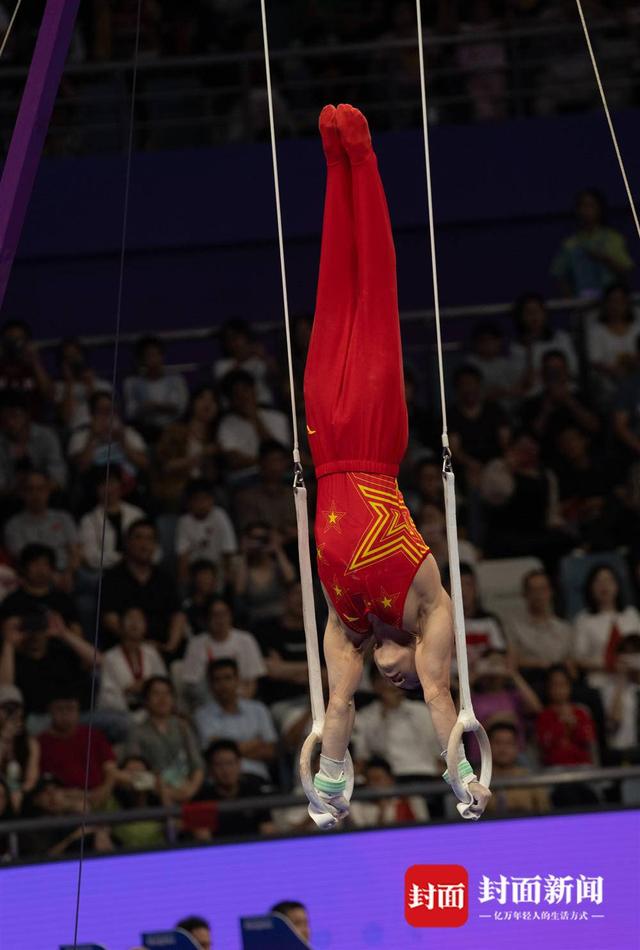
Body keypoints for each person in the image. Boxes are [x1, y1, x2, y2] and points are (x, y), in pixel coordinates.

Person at [303, 104, 490, 826]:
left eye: (396, 684)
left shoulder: (347, 632)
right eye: (404, 682)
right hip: (375, 446)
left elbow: (337, 708)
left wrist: (331, 783)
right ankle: (362, 154)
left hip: (324, 446)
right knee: (372, 289)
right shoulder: (428, 618)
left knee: (331, 292)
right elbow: (446, 698)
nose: (395, 678)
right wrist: (464, 780)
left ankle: (330, 160)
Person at [101, 519, 187, 656]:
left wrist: (170, 645)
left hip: (163, 648)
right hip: (126, 650)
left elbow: (178, 614)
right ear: (127, 542)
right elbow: (110, 619)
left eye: (150, 539)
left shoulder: (164, 578)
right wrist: (141, 644)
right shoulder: (112, 578)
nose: (144, 544)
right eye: (138, 537)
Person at [353, 665, 441, 783]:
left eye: (397, 678)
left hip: (427, 775)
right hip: (391, 779)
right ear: (375, 685)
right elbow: (366, 754)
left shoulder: (422, 711)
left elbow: (436, 749)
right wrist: (386, 715)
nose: (392, 685)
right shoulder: (365, 717)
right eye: (386, 680)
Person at [194, 658, 276, 780]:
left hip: (257, 777)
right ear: (210, 685)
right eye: (217, 680)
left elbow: (270, 751)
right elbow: (215, 755)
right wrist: (255, 743)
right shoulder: (202, 716)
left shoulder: (258, 710)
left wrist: (226, 749)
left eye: (228, 678)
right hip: (220, 781)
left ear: (237, 680)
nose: (223, 685)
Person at [126, 677, 204, 805]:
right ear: (146, 700)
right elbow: (135, 772)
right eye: (156, 694)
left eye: (167, 693)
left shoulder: (182, 726)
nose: (162, 699)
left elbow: (198, 765)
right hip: (155, 795)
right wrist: (167, 792)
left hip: (190, 790)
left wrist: (191, 789)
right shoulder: (136, 732)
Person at [0, 611, 93, 717]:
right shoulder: (14, 660)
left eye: (39, 630)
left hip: (76, 716)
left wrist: (64, 633)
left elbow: (97, 662)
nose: (35, 636)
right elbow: (5, 688)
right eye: (30, 631)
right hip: (38, 718)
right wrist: (9, 643)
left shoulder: (60, 652)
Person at [551, 188, 634, 299]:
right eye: (583, 206)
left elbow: (626, 270)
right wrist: (571, 299)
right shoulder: (570, 243)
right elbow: (559, 275)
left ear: (600, 208)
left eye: (591, 205)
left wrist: (604, 258)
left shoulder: (613, 238)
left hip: (609, 302)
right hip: (582, 303)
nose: (586, 210)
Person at [38, 691, 116, 808]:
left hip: (100, 795)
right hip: (64, 800)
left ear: (78, 711)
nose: (65, 714)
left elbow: (111, 769)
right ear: (50, 711)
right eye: (59, 709)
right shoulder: (40, 742)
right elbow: (42, 782)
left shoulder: (94, 735)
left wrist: (104, 790)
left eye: (70, 709)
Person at [181, 597, 266, 703]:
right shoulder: (196, 644)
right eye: (215, 615)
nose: (220, 619)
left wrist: (237, 705)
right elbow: (192, 684)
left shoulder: (246, 639)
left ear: (231, 616)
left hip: (241, 701)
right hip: (208, 702)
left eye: (224, 614)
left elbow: (252, 683)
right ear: (206, 619)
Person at [152, 383, 222, 511]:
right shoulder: (174, 430)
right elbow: (165, 466)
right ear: (192, 403)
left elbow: (214, 476)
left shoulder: (217, 435)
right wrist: (199, 456)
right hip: (177, 487)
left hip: (205, 490)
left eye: (213, 400)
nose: (208, 404)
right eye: (202, 398)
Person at [4, 470, 79, 586]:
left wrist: (68, 574)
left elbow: (75, 552)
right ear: (22, 493)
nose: (36, 494)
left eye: (40, 489)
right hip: (34, 580)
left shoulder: (64, 518)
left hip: (67, 573)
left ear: (48, 491)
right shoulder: (13, 526)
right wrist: (53, 577)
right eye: (30, 489)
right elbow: (24, 560)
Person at [506, 569, 575, 693]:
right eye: (533, 590)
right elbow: (512, 661)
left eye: (543, 589)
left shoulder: (564, 628)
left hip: (561, 683)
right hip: (532, 681)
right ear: (525, 594)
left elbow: (570, 663)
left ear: (550, 592)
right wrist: (540, 664)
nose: (538, 595)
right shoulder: (514, 626)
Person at [67, 391, 148, 496]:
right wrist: (92, 438)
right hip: (95, 488)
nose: (107, 415)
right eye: (101, 411)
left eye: (110, 411)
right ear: (91, 414)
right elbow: (81, 468)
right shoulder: (80, 436)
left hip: (128, 486)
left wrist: (123, 442)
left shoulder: (129, 433)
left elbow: (144, 464)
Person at [573, 564, 640, 686]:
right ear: (591, 588)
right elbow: (578, 660)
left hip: (634, 680)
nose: (604, 585)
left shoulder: (631, 614)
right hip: (600, 682)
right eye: (598, 581)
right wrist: (610, 664)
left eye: (609, 580)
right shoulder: (584, 619)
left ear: (617, 585)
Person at [97, 607, 167, 721]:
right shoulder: (110, 657)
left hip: (152, 710)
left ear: (145, 627)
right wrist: (127, 691)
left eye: (139, 619)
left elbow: (163, 682)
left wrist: (147, 687)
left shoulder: (152, 653)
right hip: (124, 715)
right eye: (130, 618)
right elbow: (107, 698)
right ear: (120, 626)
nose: (134, 623)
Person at [79, 465, 152, 572]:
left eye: (112, 482)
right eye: (103, 484)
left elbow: (153, 548)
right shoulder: (88, 520)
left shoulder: (137, 514)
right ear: (96, 489)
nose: (109, 489)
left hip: (139, 571)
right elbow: (90, 556)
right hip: (105, 573)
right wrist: (125, 559)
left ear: (120, 485)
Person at [217, 370, 290, 478]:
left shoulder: (278, 418)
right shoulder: (226, 425)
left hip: (281, 476)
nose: (243, 397)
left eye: (245, 390)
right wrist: (266, 463)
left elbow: (279, 453)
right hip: (246, 478)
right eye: (236, 394)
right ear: (230, 400)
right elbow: (233, 461)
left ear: (254, 390)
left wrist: (255, 419)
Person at [448, 364, 511, 486]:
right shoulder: (452, 416)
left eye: (472, 383)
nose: (469, 389)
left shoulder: (495, 410)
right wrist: (471, 464)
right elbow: (455, 450)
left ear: (479, 385)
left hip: (496, 463)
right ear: (457, 388)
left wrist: (499, 464)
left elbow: (505, 442)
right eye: (464, 384)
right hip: (467, 466)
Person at [196, 739, 274, 837]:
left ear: (239, 764)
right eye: (219, 765)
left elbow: (268, 830)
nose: (226, 770)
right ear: (210, 769)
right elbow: (203, 839)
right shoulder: (203, 798)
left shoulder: (254, 791)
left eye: (230, 763)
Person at [510, 293, 578, 398]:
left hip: (567, 391)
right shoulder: (517, 347)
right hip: (536, 396)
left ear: (545, 313)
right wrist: (529, 351)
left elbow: (573, 369)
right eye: (528, 312)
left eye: (537, 311)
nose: (534, 316)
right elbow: (525, 383)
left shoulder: (561, 337)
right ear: (520, 317)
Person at [0, 392, 67, 497]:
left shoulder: (46, 436)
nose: (10, 422)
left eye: (15, 416)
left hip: (47, 497)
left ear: (27, 415)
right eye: (5, 417)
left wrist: (35, 489)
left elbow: (58, 478)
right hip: (11, 498)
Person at [123, 335, 189, 439]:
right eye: (149, 355)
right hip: (145, 430)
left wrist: (158, 407)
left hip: (173, 428)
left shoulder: (177, 380)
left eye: (157, 354)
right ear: (141, 360)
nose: (154, 359)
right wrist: (143, 408)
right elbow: (130, 413)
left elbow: (181, 408)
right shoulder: (132, 383)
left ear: (162, 356)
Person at [232, 522, 296, 626]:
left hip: (281, 621)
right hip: (256, 622)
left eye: (263, 538)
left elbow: (290, 579)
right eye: (254, 538)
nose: (259, 542)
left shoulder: (278, 565)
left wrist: (277, 549)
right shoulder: (243, 568)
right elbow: (239, 590)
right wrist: (245, 552)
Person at [232, 440, 297, 541]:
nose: (276, 467)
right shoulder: (246, 497)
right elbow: (250, 530)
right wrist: (273, 535)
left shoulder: (294, 494)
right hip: (263, 548)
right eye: (271, 461)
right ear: (261, 463)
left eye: (279, 461)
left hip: (294, 545)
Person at [176, 479, 237, 586]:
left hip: (219, 570)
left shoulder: (220, 515)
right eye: (197, 500)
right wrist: (184, 581)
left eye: (205, 499)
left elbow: (228, 550)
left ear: (212, 500)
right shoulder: (184, 522)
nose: (201, 504)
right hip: (196, 572)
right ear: (189, 502)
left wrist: (227, 577)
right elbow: (183, 556)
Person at [484, 721, 550, 817]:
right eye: (497, 743)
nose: (503, 749)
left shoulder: (531, 780)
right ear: (487, 747)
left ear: (516, 747)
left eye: (508, 743)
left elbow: (545, 814)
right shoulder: (475, 781)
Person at [535, 664, 597, 767]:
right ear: (548, 688)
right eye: (555, 685)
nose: (559, 690)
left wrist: (575, 726)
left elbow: (588, 740)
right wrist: (560, 724)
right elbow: (545, 745)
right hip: (554, 769)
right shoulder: (544, 715)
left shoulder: (581, 712)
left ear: (569, 687)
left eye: (563, 685)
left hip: (581, 767)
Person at [349, 754, 430, 828]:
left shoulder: (413, 800)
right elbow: (365, 838)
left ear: (391, 780)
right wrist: (382, 812)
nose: (372, 784)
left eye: (377, 779)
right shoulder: (358, 807)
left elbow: (425, 828)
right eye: (369, 780)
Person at [53, 338, 112, 434]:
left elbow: (105, 413)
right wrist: (69, 383)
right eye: (68, 358)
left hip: (105, 430)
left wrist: (90, 386)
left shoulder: (103, 385)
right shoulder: (59, 387)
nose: (73, 361)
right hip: (78, 431)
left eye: (76, 356)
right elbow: (66, 418)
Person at [214, 317, 275, 406]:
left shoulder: (258, 359)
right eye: (229, 339)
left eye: (237, 337)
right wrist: (241, 358)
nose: (234, 343)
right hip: (234, 410)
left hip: (263, 404)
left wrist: (264, 357)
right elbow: (225, 386)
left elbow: (276, 378)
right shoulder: (221, 365)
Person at [0, 320, 52, 418]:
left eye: (19, 339)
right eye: (10, 339)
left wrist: (35, 362)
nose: (14, 344)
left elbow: (49, 396)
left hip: (32, 425)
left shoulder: (34, 367)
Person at [0, 683, 39, 812]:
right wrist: (4, 739)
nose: (12, 713)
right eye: (6, 708)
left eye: (16, 707)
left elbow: (31, 778)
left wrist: (20, 792)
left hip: (21, 793)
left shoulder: (30, 742)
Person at [601, 633, 640, 764]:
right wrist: (621, 680)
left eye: (635, 654)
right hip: (622, 751)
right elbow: (614, 721)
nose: (631, 660)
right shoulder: (610, 688)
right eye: (627, 654)